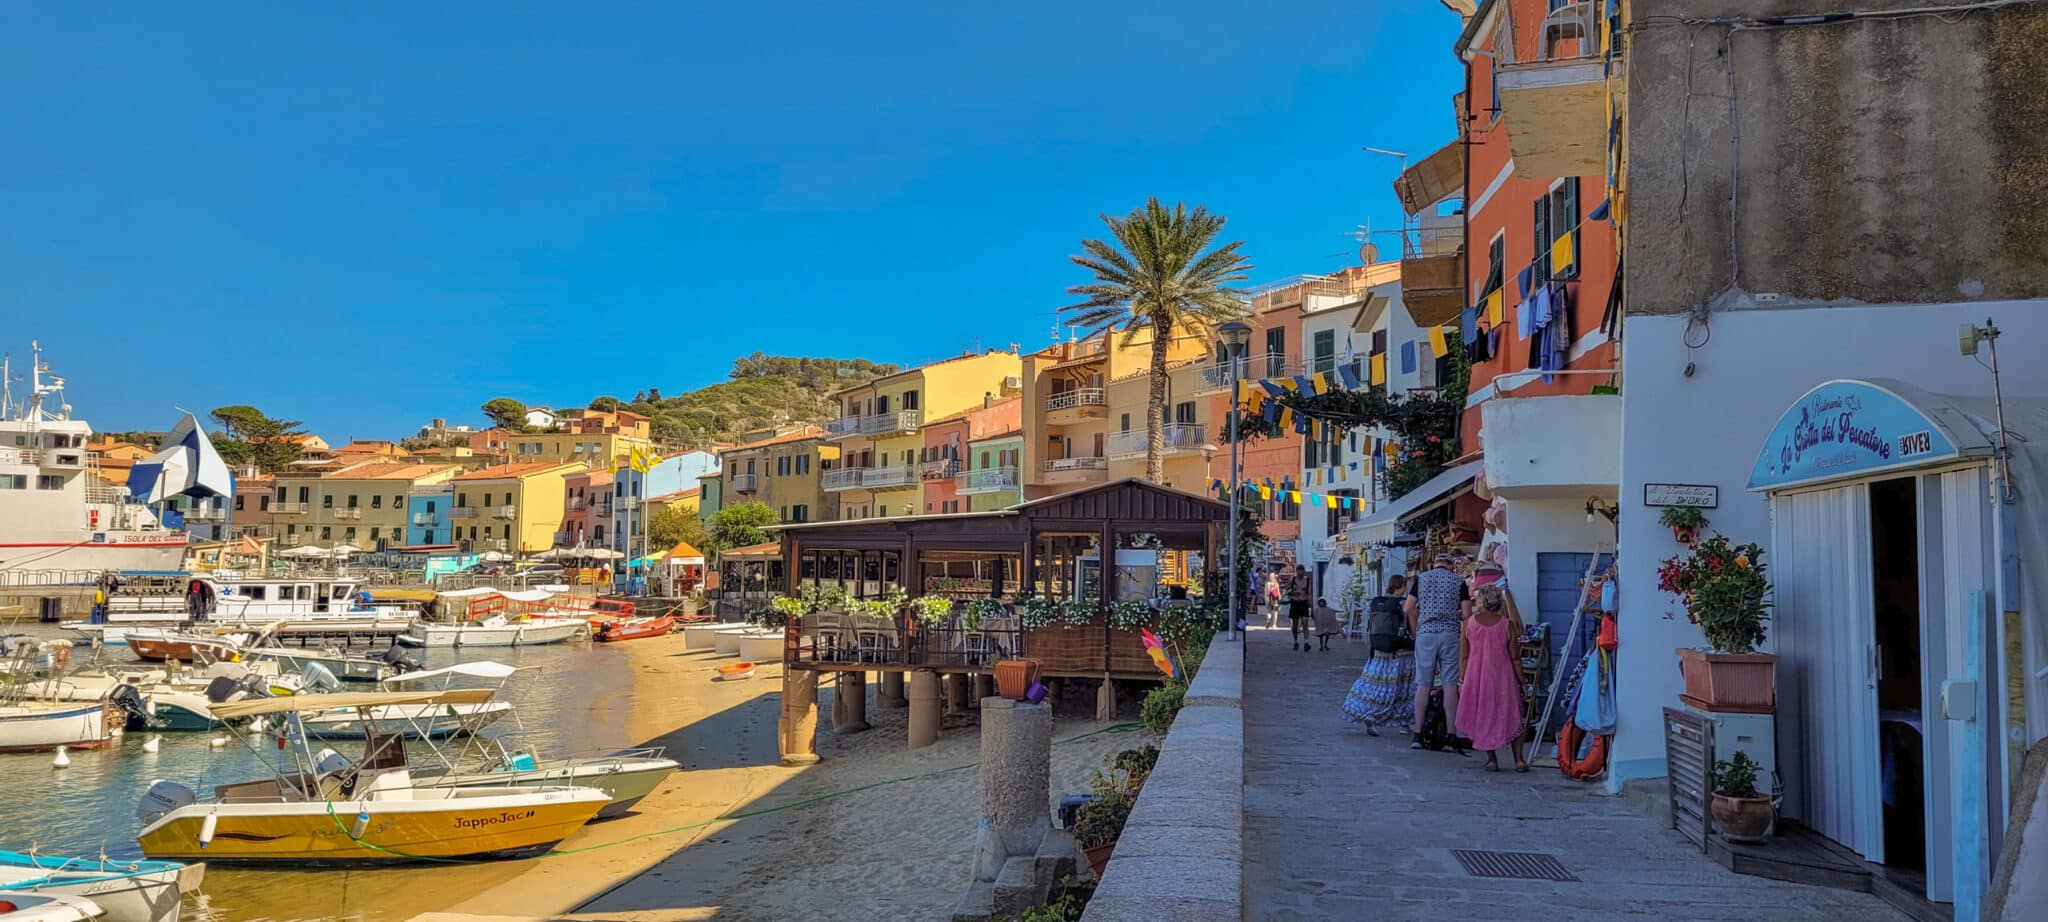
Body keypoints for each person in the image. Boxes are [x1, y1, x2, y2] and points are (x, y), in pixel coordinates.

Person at [1457, 585, 1529, 772]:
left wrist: (1463, 679)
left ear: (1480, 601)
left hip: (1477, 677)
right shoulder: (1507, 625)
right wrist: (1522, 680)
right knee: (1513, 716)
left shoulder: (1468, 624)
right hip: (1503, 677)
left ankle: (1491, 760)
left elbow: (1464, 656)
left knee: (1484, 715)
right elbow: (1514, 657)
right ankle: (1519, 760)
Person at [1405, 553, 1473, 749]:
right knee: (1450, 683)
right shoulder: (1458, 581)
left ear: (1433, 564)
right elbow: (1467, 614)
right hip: (1450, 634)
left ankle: (1417, 734)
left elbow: (1408, 607)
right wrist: (1453, 615)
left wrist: (1417, 626)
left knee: (1423, 683)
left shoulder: (1422, 579)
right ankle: (1451, 736)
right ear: (1451, 566)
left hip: (1425, 633)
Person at [1342, 574, 1415, 735]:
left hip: (1379, 651)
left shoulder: (1378, 602)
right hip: (1401, 651)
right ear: (1403, 586)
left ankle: (1370, 713)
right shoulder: (1404, 604)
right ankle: (1403, 721)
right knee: (1403, 689)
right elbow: (1412, 628)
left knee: (1377, 686)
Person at [1286, 564, 1314, 651]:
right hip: (1295, 603)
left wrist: (1311, 607)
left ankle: (1306, 642)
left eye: (1302, 571)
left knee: (1305, 622)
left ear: (1304, 571)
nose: (1300, 572)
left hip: (1303, 603)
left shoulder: (1307, 581)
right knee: (1294, 625)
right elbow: (1287, 591)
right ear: (1296, 571)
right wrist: (1294, 593)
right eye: (1299, 571)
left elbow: (1309, 594)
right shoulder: (1293, 580)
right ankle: (1296, 641)